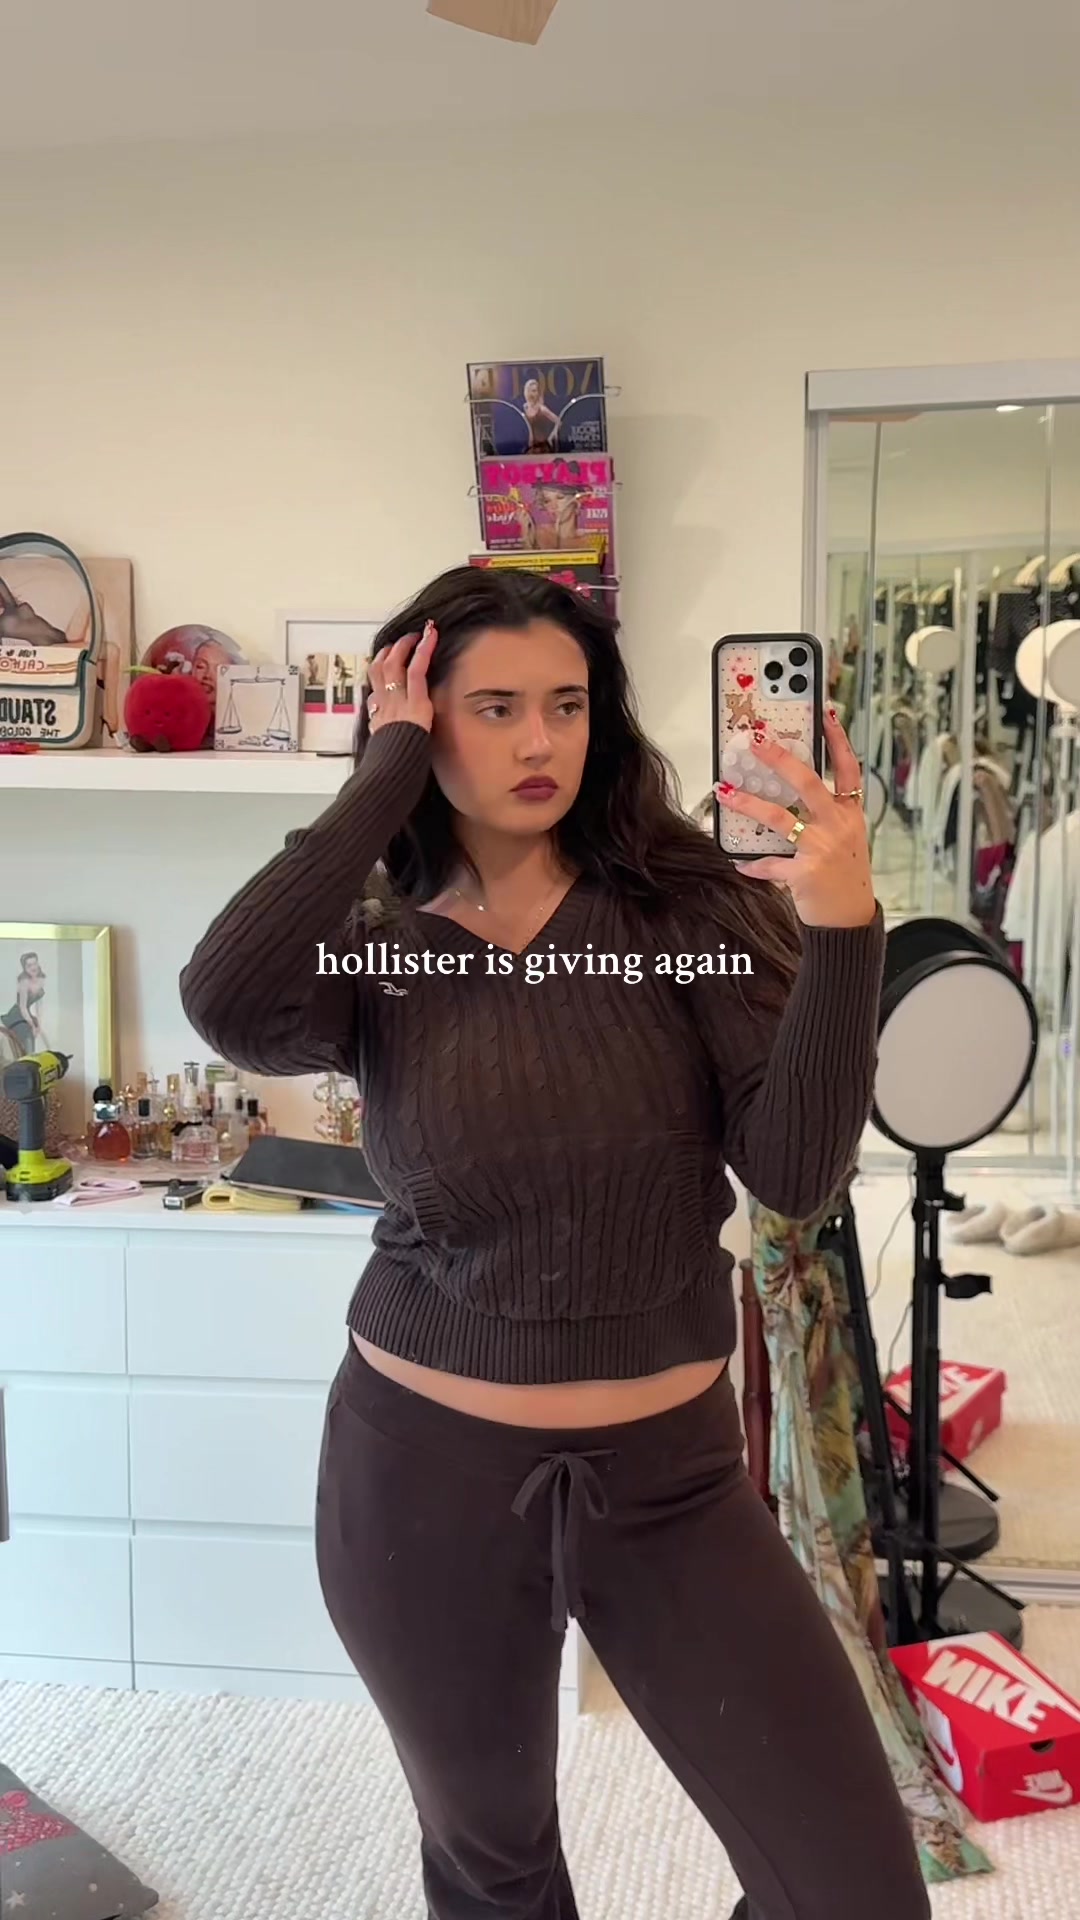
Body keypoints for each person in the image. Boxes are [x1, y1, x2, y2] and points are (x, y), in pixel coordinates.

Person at [179, 567, 929, 1920]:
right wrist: (382, 776)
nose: (540, 741)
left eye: (568, 705)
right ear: (421, 717)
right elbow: (226, 1001)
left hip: (674, 1482)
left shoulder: (687, 911)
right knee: (494, 1866)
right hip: (422, 1476)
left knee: (852, 1889)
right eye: (495, 707)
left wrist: (841, 930)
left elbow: (793, 1172)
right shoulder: (375, 938)